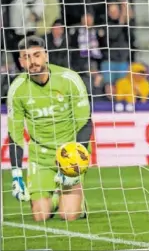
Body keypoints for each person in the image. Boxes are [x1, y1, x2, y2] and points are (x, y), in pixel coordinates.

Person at [7, 36, 93, 222]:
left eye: (37, 55)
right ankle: (55, 198)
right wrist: (16, 175)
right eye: (26, 57)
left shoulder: (69, 79)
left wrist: (75, 161)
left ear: (46, 55)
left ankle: (77, 202)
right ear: (21, 62)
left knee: (68, 215)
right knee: (40, 215)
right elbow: (15, 134)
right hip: (41, 156)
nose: (33, 61)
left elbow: (85, 122)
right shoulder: (17, 89)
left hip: (70, 152)